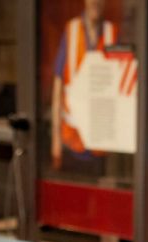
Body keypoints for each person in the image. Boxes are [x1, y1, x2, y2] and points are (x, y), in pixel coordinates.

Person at [50, 0, 118, 170]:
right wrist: (55, 139)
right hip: (72, 140)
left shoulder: (111, 33)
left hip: (101, 141)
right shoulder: (72, 30)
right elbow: (58, 86)